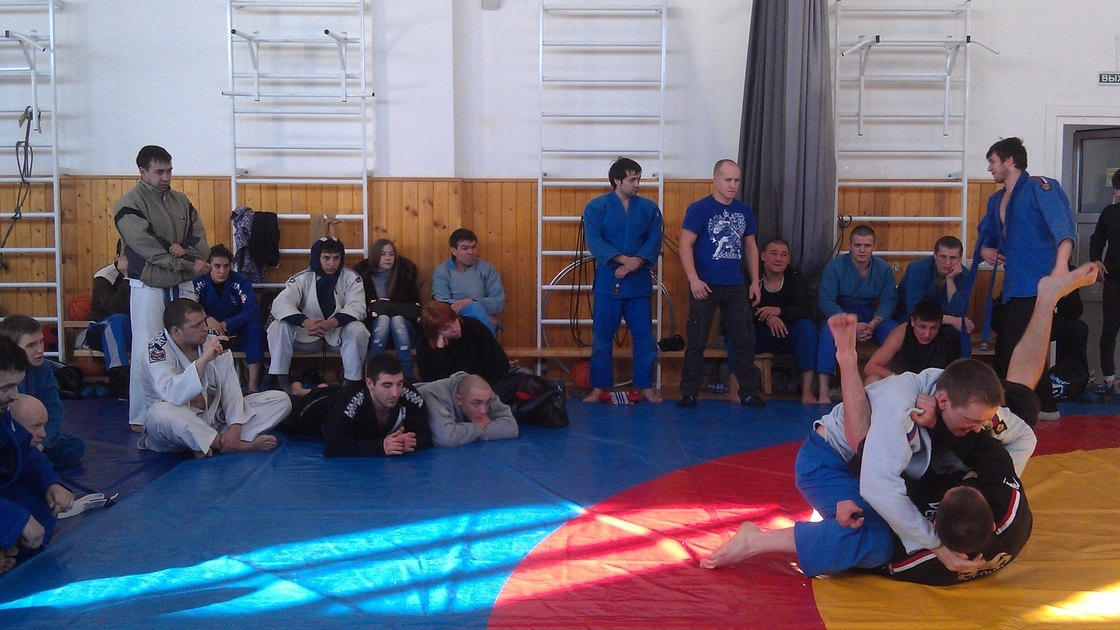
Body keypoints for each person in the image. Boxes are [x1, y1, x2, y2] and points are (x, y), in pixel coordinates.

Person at [701, 264, 1098, 583]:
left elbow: (1023, 438)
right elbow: (876, 484)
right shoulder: (900, 408)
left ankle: (1047, 298)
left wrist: (988, 478)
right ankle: (758, 540)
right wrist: (935, 545)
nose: (980, 429)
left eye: (982, 421)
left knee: (1020, 409)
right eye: (972, 421)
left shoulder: (964, 402)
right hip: (833, 463)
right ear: (943, 402)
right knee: (876, 539)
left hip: (904, 458)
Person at [977, 137, 1076, 421]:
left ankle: (1015, 408)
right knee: (1020, 343)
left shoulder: (1039, 187)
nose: (990, 168)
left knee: (1013, 346)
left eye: (993, 162)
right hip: (1013, 287)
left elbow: (1063, 228)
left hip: (1039, 283)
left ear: (1010, 161)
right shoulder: (996, 200)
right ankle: (1044, 406)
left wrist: (1060, 269)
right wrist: (985, 250)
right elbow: (985, 238)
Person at [115, 145, 210, 431]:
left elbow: (200, 242)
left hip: (182, 283)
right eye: (159, 172)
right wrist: (185, 262)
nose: (166, 177)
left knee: (189, 343)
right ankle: (142, 415)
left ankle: (188, 406)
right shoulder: (128, 204)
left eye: (169, 170)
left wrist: (185, 256)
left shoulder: (182, 201)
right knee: (148, 347)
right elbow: (146, 247)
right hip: (148, 285)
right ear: (142, 172)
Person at [136, 299, 291, 457]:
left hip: (215, 419)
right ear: (176, 331)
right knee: (162, 412)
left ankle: (215, 441)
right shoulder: (156, 351)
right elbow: (173, 395)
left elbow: (230, 389)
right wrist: (203, 360)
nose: (205, 328)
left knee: (280, 400)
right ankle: (229, 444)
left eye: (204, 321)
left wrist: (235, 427)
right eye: (196, 325)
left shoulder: (212, 340)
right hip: (175, 430)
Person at [677, 160, 764, 409]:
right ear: (715, 179)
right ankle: (689, 392)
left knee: (744, 339)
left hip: (735, 285)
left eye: (736, 180)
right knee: (697, 340)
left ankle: (748, 391)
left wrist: (754, 282)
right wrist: (693, 279)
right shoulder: (700, 209)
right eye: (728, 180)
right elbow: (685, 244)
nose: (732, 185)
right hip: (705, 284)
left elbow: (750, 247)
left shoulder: (744, 210)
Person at [581, 157, 664, 404]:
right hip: (609, 280)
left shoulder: (649, 209)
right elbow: (594, 241)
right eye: (632, 179)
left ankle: (646, 386)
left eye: (639, 179)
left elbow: (654, 239)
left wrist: (634, 263)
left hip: (638, 281)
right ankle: (598, 387)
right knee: (602, 337)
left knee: (644, 337)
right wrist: (622, 260)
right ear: (617, 181)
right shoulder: (596, 207)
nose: (637, 184)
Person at [0, 335, 73, 575]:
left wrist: (51, 482)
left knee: (45, 501)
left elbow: (24, 452)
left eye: (16, 386)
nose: (14, 395)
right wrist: (16, 519)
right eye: (6, 388)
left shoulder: (2, 413)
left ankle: (8, 548)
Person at [277, 353, 432, 458]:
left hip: (337, 396)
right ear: (370, 384)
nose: (395, 392)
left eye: (399, 383)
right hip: (313, 410)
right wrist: (380, 447)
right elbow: (333, 447)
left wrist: (406, 443)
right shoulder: (352, 401)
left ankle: (304, 389)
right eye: (387, 385)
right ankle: (300, 390)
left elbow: (425, 434)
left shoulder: (407, 394)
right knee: (283, 410)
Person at [267, 237, 370, 393]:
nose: (332, 263)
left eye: (336, 258)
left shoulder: (351, 278)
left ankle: (351, 386)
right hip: (307, 335)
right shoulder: (302, 278)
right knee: (278, 326)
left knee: (358, 329)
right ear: (317, 258)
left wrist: (331, 323)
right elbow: (280, 304)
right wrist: (306, 322)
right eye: (326, 258)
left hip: (337, 336)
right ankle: (283, 383)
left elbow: (358, 307)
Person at [816, 225, 899, 403]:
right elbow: (826, 301)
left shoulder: (883, 269)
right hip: (842, 314)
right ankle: (823, 391)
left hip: (871, 316)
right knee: (828, 333)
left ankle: (894, 382)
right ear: (850, 245)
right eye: (857, 245)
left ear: (874, 246)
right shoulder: (835, 267)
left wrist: (874, 323)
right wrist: (851, 325)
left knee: (896, 332)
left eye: (867, 245)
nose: (862, 250)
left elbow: (889, 300)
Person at [731, 238, 818, 404]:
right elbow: (739, 308)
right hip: (757, 333)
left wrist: (779, 311)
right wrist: (768, 318)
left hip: (785, 332)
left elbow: (805, 309)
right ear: (762, 256)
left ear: (788, 259)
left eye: (783, 255)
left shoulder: (794, 277)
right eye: (774, 254)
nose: (778, 259)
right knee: (737, 328)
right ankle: (735, 389)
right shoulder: (749, 275)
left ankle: (807, 390)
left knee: (808, 328)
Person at [0, 315, 85, 468]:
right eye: (31, 345)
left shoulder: (44, 368)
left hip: (36, 437)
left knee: (75, 446)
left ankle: (24, 463)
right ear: (13, 349)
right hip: (10, 436)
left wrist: (42, 443)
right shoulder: (4, 373)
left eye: (41, 342)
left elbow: (54, 412)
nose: (40, 350)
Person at [193, 244, 265, 393]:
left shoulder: (240, 281)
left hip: (235, 332)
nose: (222, 271)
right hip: (208, 333)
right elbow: (190, 308)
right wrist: (207, 318)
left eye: (226, 266)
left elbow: (253, 310)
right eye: (217, 266)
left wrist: (227, 323)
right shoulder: (198, 282)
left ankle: (253, 385)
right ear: (209, 265)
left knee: (255, 327)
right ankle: (202, 385)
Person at [352, 239, 422, 379]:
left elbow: (415, 308)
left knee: (397, 320)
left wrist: (381, 308)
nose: (388, 258)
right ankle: (373, 373)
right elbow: (360, 309)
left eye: (391, 254)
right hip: (374, 330)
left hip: (403, 330)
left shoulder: (405, 275)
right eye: (383, 254)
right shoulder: (363, 277)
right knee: (383, 319)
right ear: (375, 256)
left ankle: (408, 375)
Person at [416, 301, 513, 387]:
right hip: (449, 397)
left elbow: (499, 364)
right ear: (435, 333)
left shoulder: (473, 326)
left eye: (454, 320)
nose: (455, 329)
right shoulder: (424, 345)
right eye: (446, 328)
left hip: (487, 388)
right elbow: (433, 384)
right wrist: (440, 352)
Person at [864, 300, 962, 384]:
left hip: (930, 388)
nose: (927, 334)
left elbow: (953, 379)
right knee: (872, 380)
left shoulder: (948, 341)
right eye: (922, 327)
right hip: (900, 382)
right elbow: (870, 367)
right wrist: (901, 380)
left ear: (940, 325)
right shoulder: (902, 333)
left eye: (933, 328)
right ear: (912, 321)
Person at [894, 236, 974, 337]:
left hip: (941, 320)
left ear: (960, 258)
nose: (947, 263)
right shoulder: (918, 269)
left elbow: (958, 312)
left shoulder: (965, 275)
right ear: (935, 255)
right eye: (943, 257)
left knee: (961, 332)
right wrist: (952, 320)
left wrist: (950, 280)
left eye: (953, 258)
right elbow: (915, 311)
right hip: (908, 317)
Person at [432, 228, 505, 336]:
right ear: (454, 251)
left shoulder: (487, 269)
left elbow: (497, 302)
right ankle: (490, 346)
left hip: (484, 317)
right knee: (475, 309)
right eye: (465, 248)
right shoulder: (442, 271)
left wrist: (471, 301)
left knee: (482, 313)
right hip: (454, 320)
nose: (471, 252)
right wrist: (470, 307)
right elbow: (441, 303)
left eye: (473, 247)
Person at [419, 371, 519, 448]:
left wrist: (465, 435)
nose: (483, 411)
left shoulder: (483, 393)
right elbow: (445, 439)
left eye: (488, 402)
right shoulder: (435, 395)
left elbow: (511, 427)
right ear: (459, 400)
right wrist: (479, 425)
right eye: (476, 404)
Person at [85, 240, 132, 399]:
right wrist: (127, 278)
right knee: (117, 321)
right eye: (125, 255)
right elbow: (115, 308)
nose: (129, 259)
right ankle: (118, 377)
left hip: (130, 329)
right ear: (118, 256)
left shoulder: (144, 275)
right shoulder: (104, 276)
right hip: (100, 329)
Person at [1089, 169, 1120, 390]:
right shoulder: (1110, 212)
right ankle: (1109, 378)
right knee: (1109, 329)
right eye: (1116, 189)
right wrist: (1096, 260)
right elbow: (1097, 240)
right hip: (1114, 279)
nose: (1118, 194)